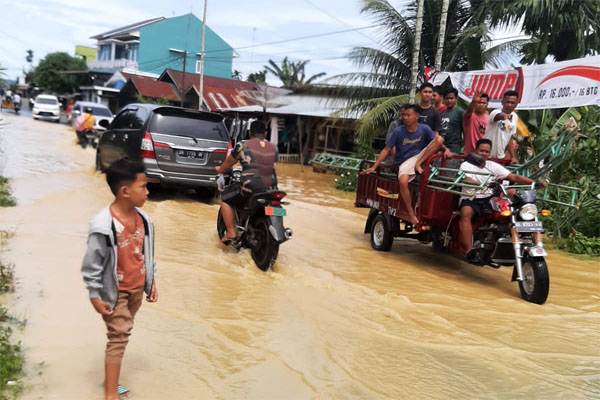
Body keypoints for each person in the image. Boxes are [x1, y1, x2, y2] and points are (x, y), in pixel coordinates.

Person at [81, 159, 158, 400]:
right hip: (114, 293)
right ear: (125, 191)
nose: (147, 191)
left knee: (122, 334)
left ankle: (109, 382)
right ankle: (111, 393)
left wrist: (151, 280)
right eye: (143, 186)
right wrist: (94, 294)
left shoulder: (145, 220)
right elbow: (91, 265)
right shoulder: (103, 226)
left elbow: (146, 253)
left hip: (136, 289)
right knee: (120, 336)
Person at [458, 138, 547, 255]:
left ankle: (520, 231)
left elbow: (513, 177)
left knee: (512, 196)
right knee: (466, 213)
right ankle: (469, 250)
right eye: (481, 151)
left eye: (486, 152)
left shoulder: (492, 165)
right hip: (471, 197)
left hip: (489, 197)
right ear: (476, 151)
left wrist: (534, 183)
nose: (484, 154)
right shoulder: (466, 165)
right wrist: (483, 184)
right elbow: (466, 179)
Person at [362, 104, 444, 225]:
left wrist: (446, 150)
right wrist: (374, 166)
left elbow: (435, 142)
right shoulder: (398, 131)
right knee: (403, 181)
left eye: (408, 115)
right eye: (403, 115)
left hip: (420, 157)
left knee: (440, 139)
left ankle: (419, 164)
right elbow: (386, 149)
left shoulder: (425, 129)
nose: (404, 117)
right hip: (404, 161)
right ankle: (411, 213)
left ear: (416, 116)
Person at [216, 120, 278, 243]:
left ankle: (231, 232)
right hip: (272, 189)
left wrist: (220, 170)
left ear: (249, 133)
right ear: (265, 134)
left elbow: (228, 163)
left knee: (225, 199)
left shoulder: (242, 145)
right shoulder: (274, 147)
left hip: (250, 188)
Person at [484, 90, 520, 163]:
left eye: (512, 103)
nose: (509, 105)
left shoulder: (515, 117)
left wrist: (513, 157)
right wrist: (504, 116)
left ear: (516, 104)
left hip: (500, 157)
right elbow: (498, 116)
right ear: (502, 102)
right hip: (487, 156)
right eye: (507, 102)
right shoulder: (495, 112)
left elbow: (510, 138)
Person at [463, 91, 489, 155]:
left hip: (484, 154)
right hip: (470, 154)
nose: (481, 105)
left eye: (483, 103)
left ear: (487, 104)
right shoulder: (470, 116)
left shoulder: (489, 118)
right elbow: (468, 111)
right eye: (479, 102)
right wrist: (473, 102)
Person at [439, 88, 464, 154]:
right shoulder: (441, 113)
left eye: (451, 98)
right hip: (441, 147)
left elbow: (465, 130)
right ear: (443, 99)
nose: (449, 100)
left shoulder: (460, 112)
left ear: (456, 99)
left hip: (454, 147)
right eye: (447, 98)